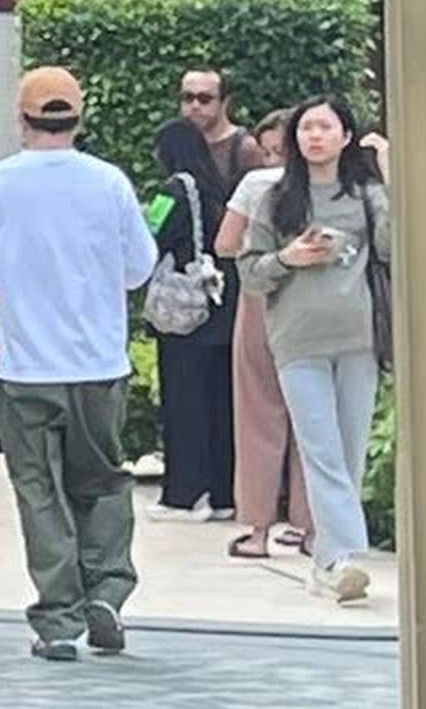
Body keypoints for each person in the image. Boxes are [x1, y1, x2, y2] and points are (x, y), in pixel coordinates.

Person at [0, 66, 158, 664]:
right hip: (99, 365)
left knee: (39, 490)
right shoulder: (108, 182)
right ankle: (108, 591)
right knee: (104, 480)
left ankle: (58, 619)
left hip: (24, 369)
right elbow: (140, 267)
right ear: (78, 117)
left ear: (21, 117)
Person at [248, 92, 393, 605]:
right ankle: (344, 555)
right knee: (321, 448)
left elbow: (396, 248)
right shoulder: (276, 199)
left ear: (346, 136)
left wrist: (391, 178)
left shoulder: (367, 196)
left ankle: (330, 561)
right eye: (307, 128)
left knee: (349, 448)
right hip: (298, 339)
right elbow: (251, 270)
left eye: (325, 127)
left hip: (357, 337)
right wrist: (288, 256)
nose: (315, 136)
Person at [148, 68, 248, 516]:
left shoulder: (174, 189)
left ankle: (184, 494)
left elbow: (149, 238)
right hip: (222, 311)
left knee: (184, 406)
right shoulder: (216, 189)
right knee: (222, 407)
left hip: (184, 318)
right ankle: (225, 494)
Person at [216, 116, 315, 563]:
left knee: (259, 412)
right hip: (315, 303)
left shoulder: (256, 183)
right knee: (314, 415)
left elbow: (225, 242)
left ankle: (256, 529)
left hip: (261, 300)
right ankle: (310, 525)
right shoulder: (327, 184)